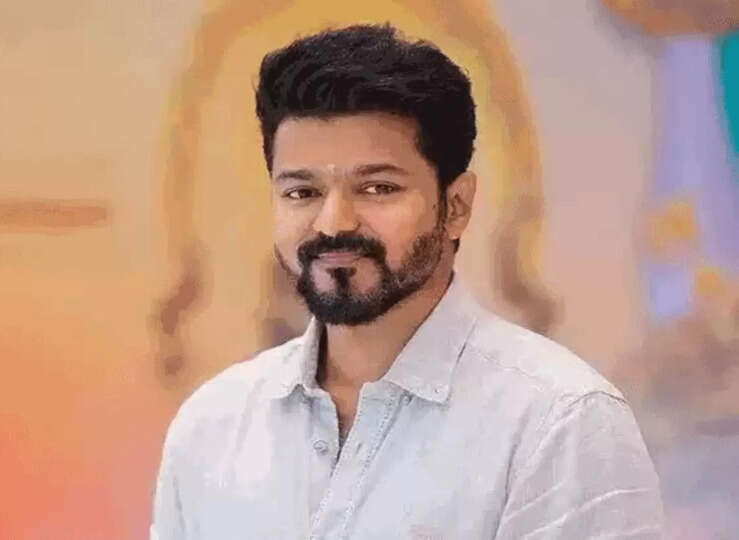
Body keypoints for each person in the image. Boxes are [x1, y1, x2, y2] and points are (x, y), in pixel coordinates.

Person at [151, 23, 663, 539]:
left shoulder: (560, 422)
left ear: (455, 206)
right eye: (302, 192)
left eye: (377, 188)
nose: (333, 223)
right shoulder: (212, 427)